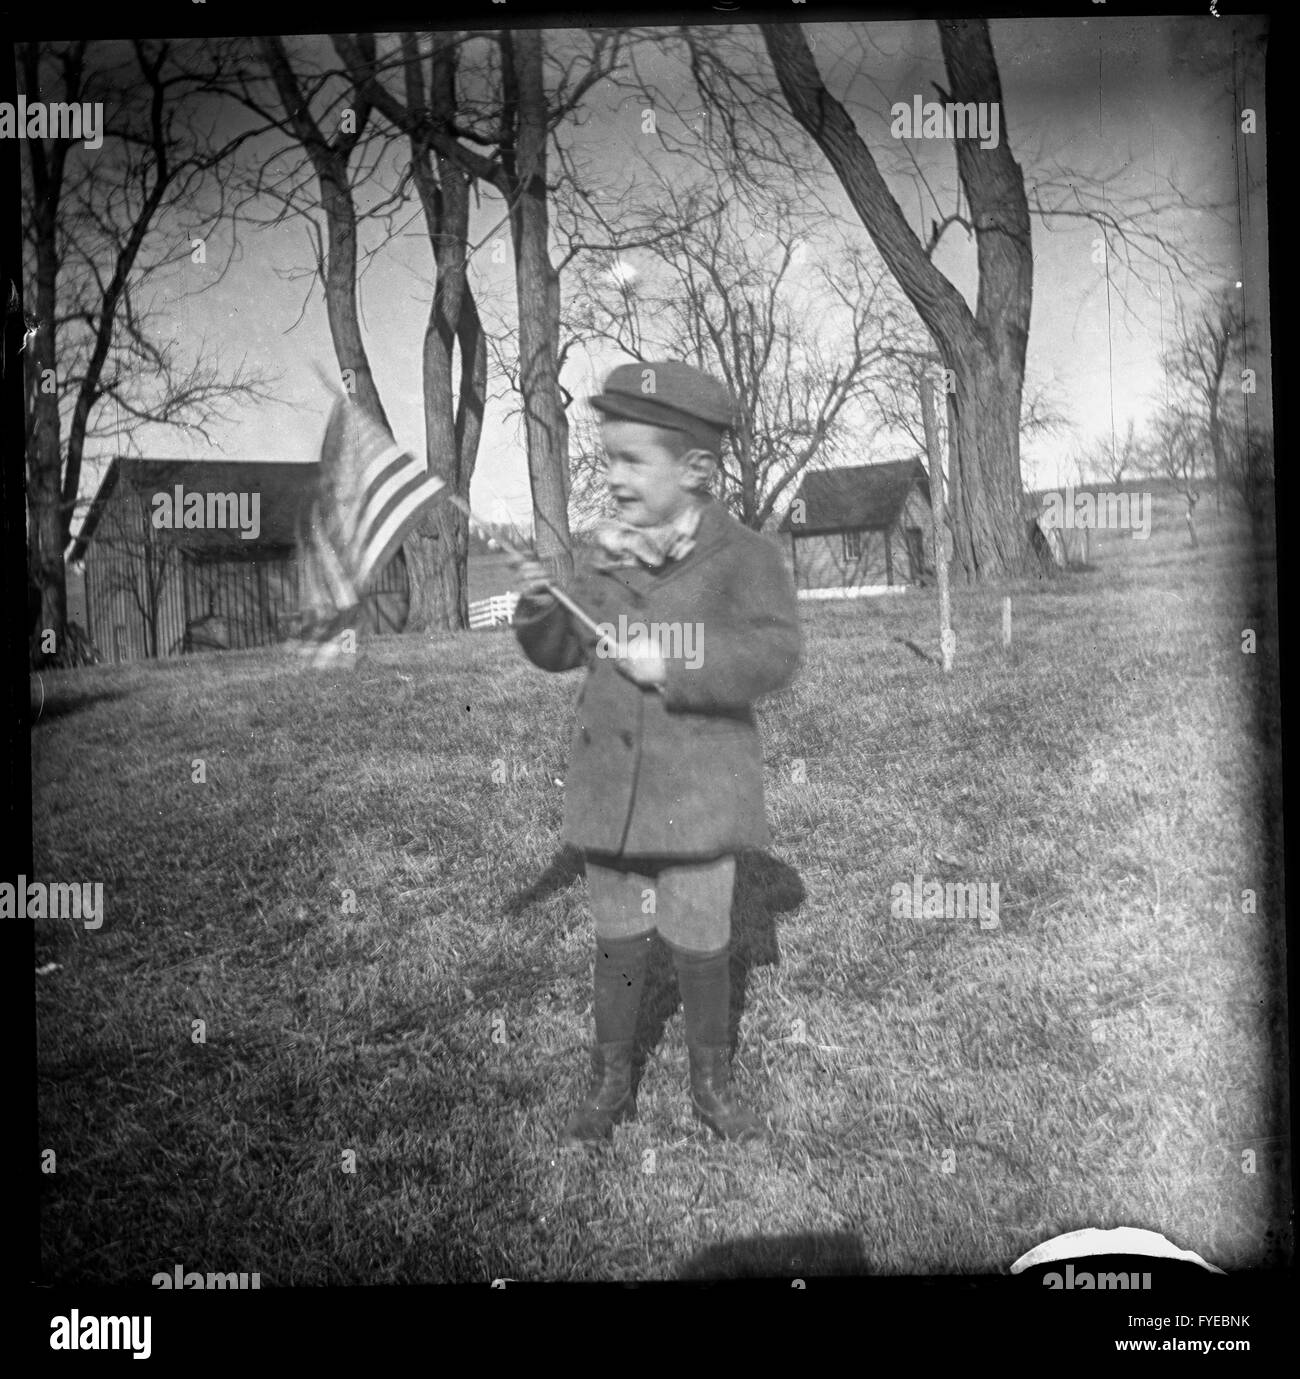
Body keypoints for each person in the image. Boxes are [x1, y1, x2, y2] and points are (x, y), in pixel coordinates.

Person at [511, 360, 802, 1145]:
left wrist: (673, 661)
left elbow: (773, 654)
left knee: (702, 932)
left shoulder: (747, 557)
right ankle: (611, 1079)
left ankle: (712, 1082)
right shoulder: (601, 555)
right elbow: (561, 646)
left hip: (700, 792)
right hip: (611, 788)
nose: (614, 476)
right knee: (618, 937)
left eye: (633, 460)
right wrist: (540, 605)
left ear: (698, 470)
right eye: (608, 458)